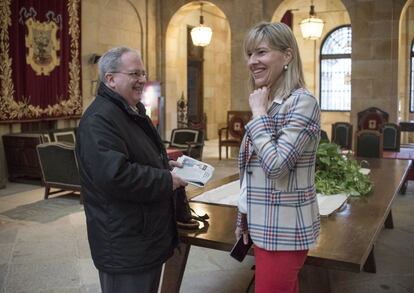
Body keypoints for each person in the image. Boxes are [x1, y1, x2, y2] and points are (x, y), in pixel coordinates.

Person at [75, 46, 187, 293]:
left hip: (144, 236)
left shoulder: (130, 111)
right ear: (111, 79)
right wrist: (166, 180)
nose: (143, 80)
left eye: (143, 73)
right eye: (135, 73)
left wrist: (163, 166)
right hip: (124, 243)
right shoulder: (99, 119)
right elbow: (115, 176)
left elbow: (134, 157)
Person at [235, 22, 321, 293]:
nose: (252, 61)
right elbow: (253, 173)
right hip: (265, 226)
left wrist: (258, 114)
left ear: (287, 56)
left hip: (283, 233)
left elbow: (276, 167)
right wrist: (244, 218)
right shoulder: (269, 101)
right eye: (250, 54)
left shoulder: (303, 102)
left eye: (261, 52)